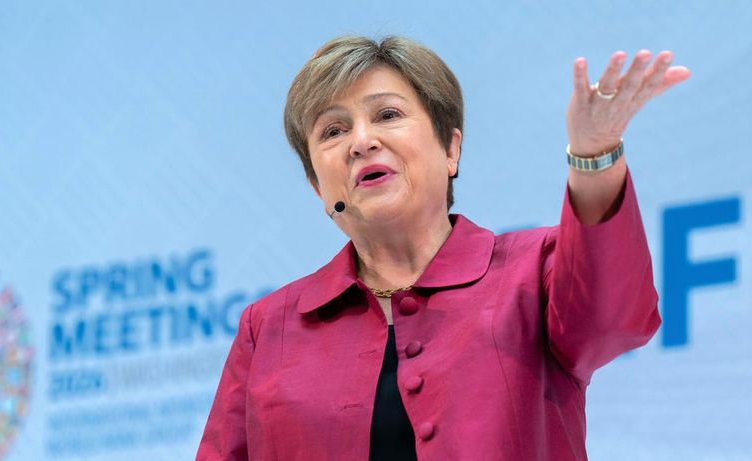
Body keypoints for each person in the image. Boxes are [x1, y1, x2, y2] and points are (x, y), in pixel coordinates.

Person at [196, 35, 690, 460]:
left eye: (387, 114)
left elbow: (615, 320)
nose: (361, 141)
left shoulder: (533, 270)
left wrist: (594, 155)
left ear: (451, 149)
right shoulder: (269, 328)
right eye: (333, 131)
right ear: (317, 187)